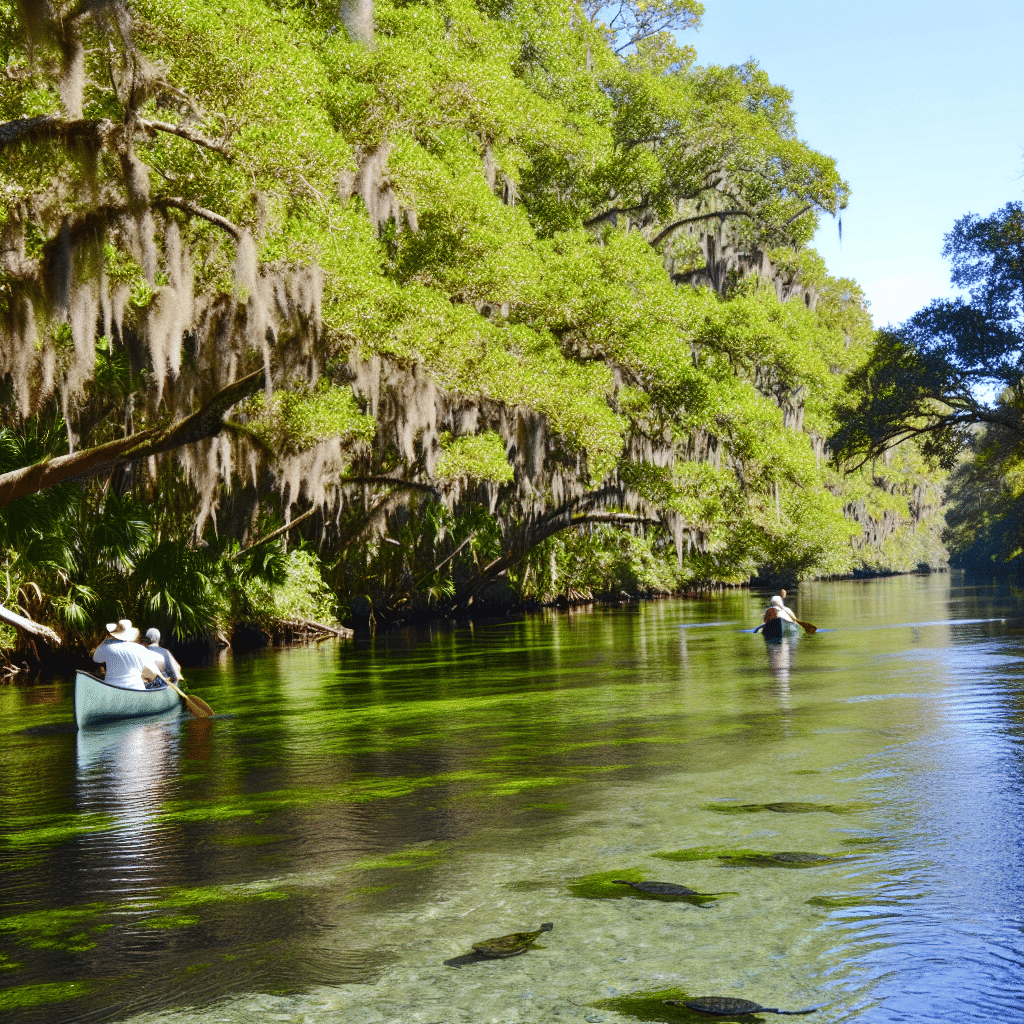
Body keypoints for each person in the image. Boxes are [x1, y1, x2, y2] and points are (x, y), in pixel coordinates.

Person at [92, 619, 167, 690]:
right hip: (136, 688)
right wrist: (163, 677)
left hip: (112, 688)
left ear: (114, 633)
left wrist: (105, 640)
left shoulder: (107, 648)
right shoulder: (140, 649)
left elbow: (96, 658)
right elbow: (159, 660)